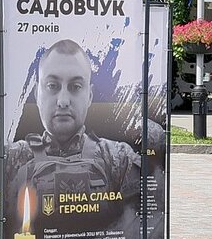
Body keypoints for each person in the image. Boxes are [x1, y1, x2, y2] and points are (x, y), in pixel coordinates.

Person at [7, 39, 138, 198]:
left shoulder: (119, 160)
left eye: (75, 87)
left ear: (90, 96)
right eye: (52, 86)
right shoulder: (10, 159)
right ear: (36, 94)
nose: (63, 101)